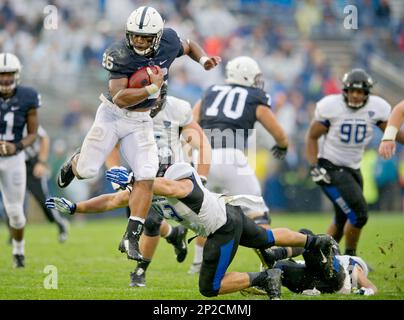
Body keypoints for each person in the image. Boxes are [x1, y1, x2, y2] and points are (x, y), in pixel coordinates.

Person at [56, 6, 221, 261]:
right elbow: (120, 98)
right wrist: (151, 89)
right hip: (112, 115)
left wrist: (203, 60)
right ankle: (75, 162)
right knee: (88, 171)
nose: (139, 41)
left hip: (141, 119)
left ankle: (131, 237)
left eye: (145, 37)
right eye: (136, 36)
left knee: (145, 174)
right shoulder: (118, 53)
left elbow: (188, 46)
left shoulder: (167, 41)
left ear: (157, 37)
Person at [47, 162, 336, 299]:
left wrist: (138, 178)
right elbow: (112, 200)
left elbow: (174, 188)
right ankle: (315, 241)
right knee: (265, 237)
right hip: (228, 216)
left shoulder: (176, 174)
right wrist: (75, 208)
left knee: (209, 288)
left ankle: (266, 276)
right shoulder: (143, 189)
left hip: (221, 227)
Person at [189, 55, 289, 273]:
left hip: (203, 156)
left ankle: (197, 263)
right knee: (258, 215)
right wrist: (282, 145)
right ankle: (268, 264)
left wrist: (190, 152)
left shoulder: (210, 92)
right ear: (248, 76)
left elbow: (191, 121)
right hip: (231, 158)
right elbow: (277, 132)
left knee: (207, 212)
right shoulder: (254, 96)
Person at [106, 92, 212, 287]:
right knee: (144, 219)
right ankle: (173, 234)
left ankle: (140, 270)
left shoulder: (177, 108)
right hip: (141, 174)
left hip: (172, 175)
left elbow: (203, 144)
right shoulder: (126, 110)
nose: (151, 105)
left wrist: (202, 178)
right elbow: (111, 146)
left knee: (154, 222)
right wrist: (115, 172)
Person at [305, 68, 404, 256]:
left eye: (360, 92)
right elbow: (311, 136)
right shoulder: (331, 106)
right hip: (331, 167)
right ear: (345, 91)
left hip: (353, 168)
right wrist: (314, 166)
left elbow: (391, 131)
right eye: (352, 91)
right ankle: (350, 257)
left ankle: (319, 256)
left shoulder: (376, 108)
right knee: (359, 214)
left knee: (343, 217)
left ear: (367, 93)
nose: (356, 96)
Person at [0, 52, 39, 268]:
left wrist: (16, 145)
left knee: (15, 212)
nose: (5, 79)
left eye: (9, 74)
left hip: (13, 158)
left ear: (17, 75)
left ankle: (18, 250)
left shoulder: (28, 96)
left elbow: (32, 133)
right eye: (1, 74)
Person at [24, 125, 69, 242]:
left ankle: (60, 223)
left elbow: (44, 137)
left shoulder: (24, 115)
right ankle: (14, 239)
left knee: (43, 200)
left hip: (31, 165)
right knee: (12, 203)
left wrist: (41, 162)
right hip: (11, 165)